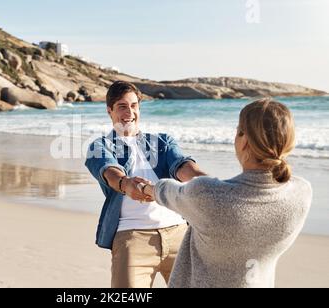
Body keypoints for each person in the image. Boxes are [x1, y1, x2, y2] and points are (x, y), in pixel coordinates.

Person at [142, 98, 313, 288]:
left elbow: (169, 192)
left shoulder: (209, 195)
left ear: (244, 140)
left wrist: (144, 188)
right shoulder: (301, 193)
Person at [85, 81, 206, 288]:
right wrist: (126, 184)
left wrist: (206, 182)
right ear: (109, 111)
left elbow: (182, 166)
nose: (129, 112)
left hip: (178, 234)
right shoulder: (100, 146)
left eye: (134, 105)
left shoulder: (162, 141)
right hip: (132, 237)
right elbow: (110, 172)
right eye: (122, 106)